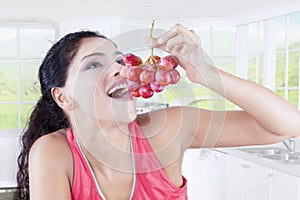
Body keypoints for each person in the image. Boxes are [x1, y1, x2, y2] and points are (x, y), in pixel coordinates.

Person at [15, 24, 300, 200]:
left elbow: (286, 125)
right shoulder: (54, 152)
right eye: (93, 64)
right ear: (63, 96)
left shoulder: (168, 129)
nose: (122, 68)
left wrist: (208, 74)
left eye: (119, 59)